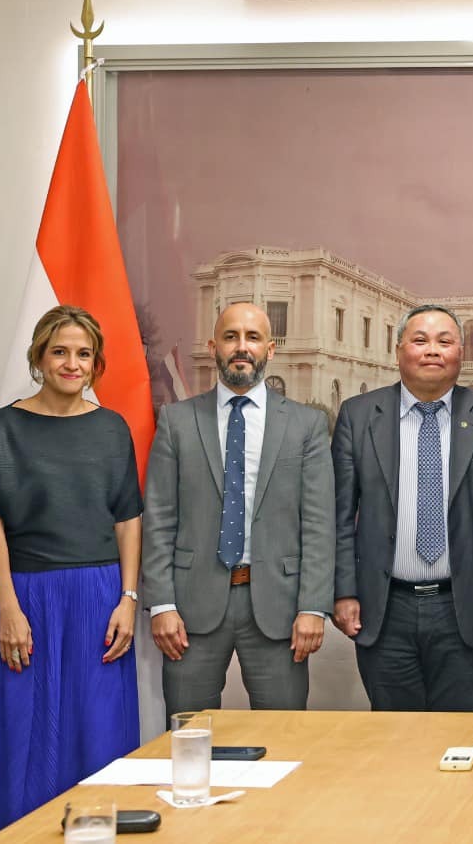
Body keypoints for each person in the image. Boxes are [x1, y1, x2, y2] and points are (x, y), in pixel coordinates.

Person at [0, 306, 142, 837]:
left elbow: (128, 519)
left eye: (83, 353)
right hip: (25, 599)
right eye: (60, 351)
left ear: (96, 362)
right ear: (39, 356)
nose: (72, 363)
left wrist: (128, 598)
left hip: (99, 597)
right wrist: (6, 609)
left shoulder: (111, 428)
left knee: (96, 726)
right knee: (19, 731)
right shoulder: (4, 427)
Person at [141, 301, 333, 714]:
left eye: (252, 337)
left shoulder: (305, 425)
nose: (241, 347)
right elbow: (158, 518)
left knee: (284, 739)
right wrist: (162, 604)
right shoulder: (176, 420)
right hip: (190, 609)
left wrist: (313, 607)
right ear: (213, 346)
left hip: (278, 608)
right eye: (230, 337)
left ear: (271, 349)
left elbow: (318, 523)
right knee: (188, 736)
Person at [331, 305, 473, 711]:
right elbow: (339, 516)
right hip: (384, 607)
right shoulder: (359, 417)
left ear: (461, 353)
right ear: (398, 351)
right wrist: (343, 591)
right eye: (420, 340)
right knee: (395, 740)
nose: (433, 351)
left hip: (462, 608)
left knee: (459, 738)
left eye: (444, 342)